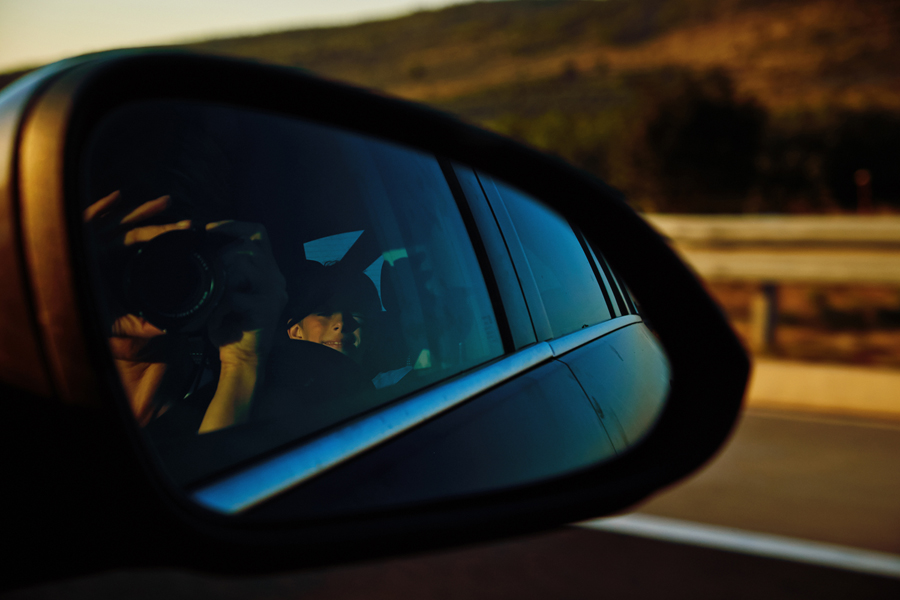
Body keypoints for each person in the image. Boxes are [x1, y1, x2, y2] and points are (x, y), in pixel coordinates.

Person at [84, 190, 288, 434]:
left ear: (217, 266)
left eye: (172, 261)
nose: (158, 280)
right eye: (123, 259)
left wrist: (242, 365)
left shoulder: (274, 397)